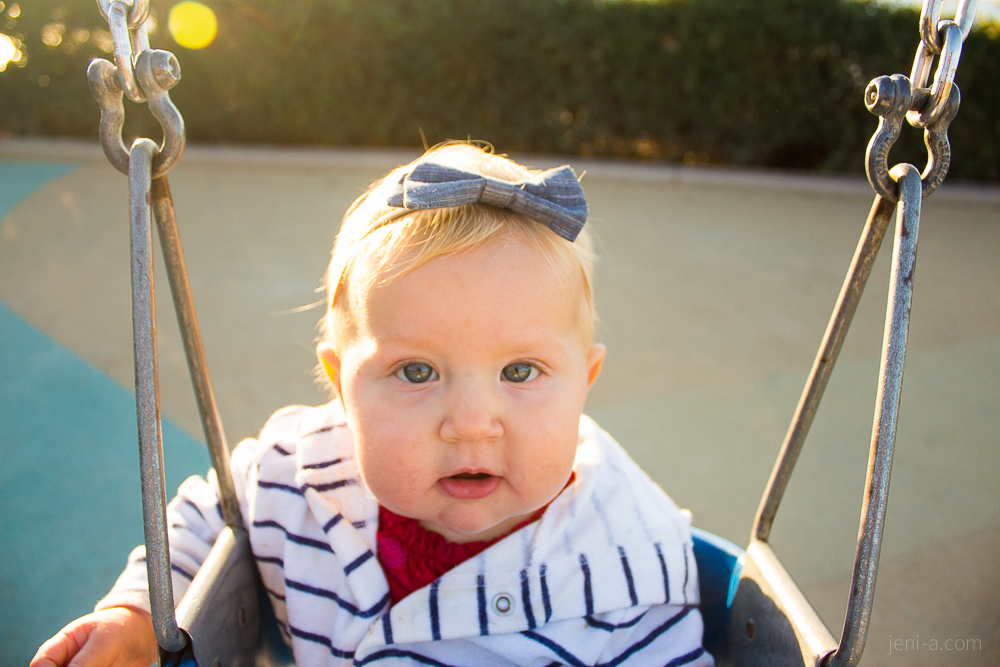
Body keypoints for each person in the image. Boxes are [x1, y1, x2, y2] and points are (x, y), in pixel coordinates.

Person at [32, 144, 714, 667]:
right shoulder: (297, 474)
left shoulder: (633, 570)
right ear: (340, 383)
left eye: (519, 371)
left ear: (585, 382)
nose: (471, 422)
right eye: (417, 371)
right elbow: (204, 518)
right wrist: (136, 612)